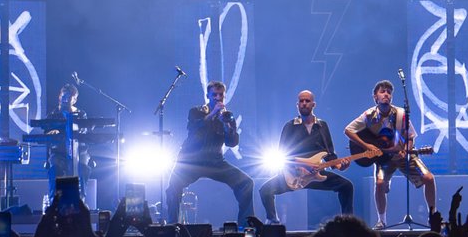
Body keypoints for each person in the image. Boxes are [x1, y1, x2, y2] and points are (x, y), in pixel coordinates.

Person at [346, 80, 436, 228]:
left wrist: (406, 150)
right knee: (380, 183)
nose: (386, 94)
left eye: (389, 92)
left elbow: (410, 137)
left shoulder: (401, 114)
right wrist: (367, 146)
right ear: (375, 97)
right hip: (383, 159)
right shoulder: (368, 115)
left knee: (429, 178)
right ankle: (382, 220)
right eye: (382, 92)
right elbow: (348, 130)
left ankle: (433, 216)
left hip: (401, 154)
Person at [260, 89, 356, 223]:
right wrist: (302, 166)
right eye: (301, 101)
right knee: (265, 190)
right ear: (297, 105)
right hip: (294, 175)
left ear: (313, 104)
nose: (304, 103)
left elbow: (330, 155)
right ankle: (273, 220)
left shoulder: (322, 126)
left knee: (346, 186)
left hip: (316, 174)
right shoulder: (290, 126)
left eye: (307, 101)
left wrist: (341, 166)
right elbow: (282, 155)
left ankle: (348, 223)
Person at [165, 82, 255, 224]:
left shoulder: (228, 116)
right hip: (191, 161)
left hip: (215, 161)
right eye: (214, 95)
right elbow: (194, 127)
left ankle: (245, 226)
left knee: (246, 182)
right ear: (208, 96)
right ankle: (172, 226)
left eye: (221, 95)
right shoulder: (196, 111)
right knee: (173, 188)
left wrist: (228, 127)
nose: (218, 98)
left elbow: (232, 143)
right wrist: (212, 114)